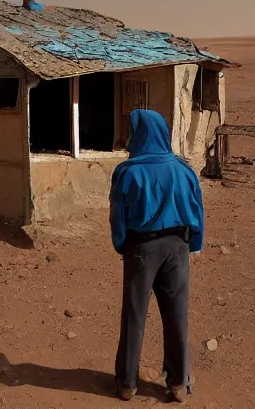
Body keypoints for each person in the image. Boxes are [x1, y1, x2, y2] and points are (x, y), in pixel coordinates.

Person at [109, 109, 205, 402]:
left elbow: (118, 217)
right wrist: (194, 244)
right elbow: (197, 211)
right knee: (177, 315)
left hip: (141, 247)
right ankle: (177, 384)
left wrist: (122, 245)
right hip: (178, 246)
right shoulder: (183, 169)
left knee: (135, 314)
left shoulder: (128, 172)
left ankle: (127, 383)